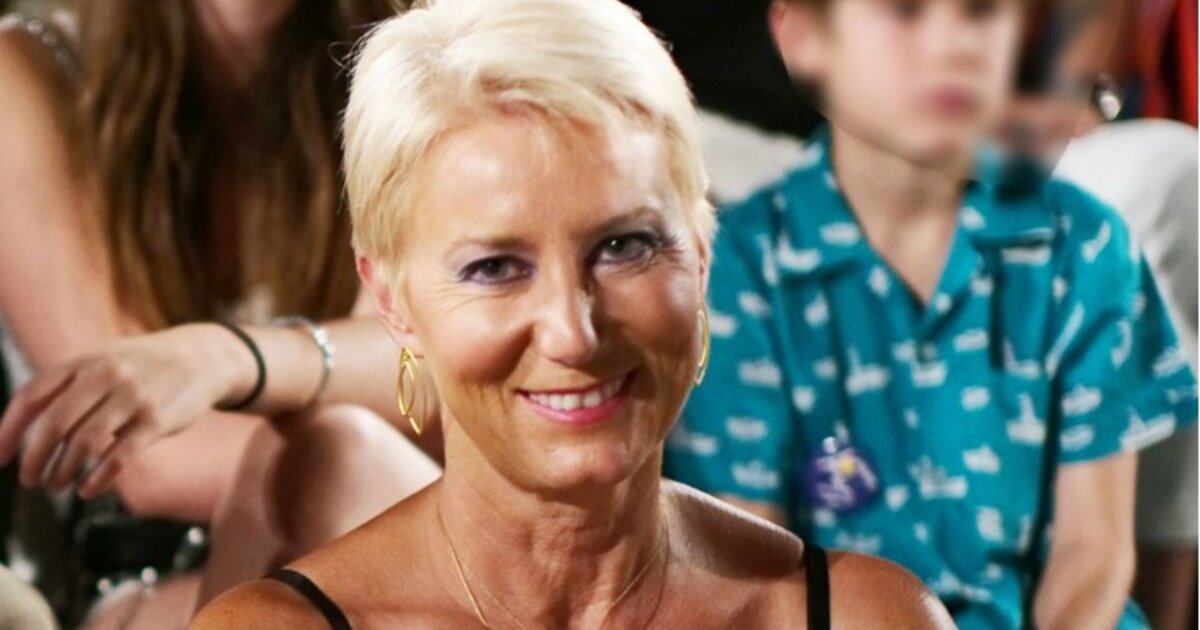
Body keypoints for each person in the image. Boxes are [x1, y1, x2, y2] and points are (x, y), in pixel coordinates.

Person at [194, 0, 955, 627]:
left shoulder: (867, 616)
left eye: (623, 247)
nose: (572, 332)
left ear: (700, 256)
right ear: (392, 299)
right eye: (495, 268)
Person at [662, 0, 1198, 628]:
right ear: (804, 37)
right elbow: (758, 569)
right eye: (904, 11)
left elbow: (1092, 554)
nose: (953, 43)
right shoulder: (739, 274)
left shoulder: (1086, 244)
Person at [0, 2, 440, 627]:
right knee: (338, 463)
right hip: (137, 577)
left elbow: (420, 373)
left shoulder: (420, 52)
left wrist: (229, 358)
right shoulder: (30, 70)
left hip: (375, 516)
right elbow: (148, 459)